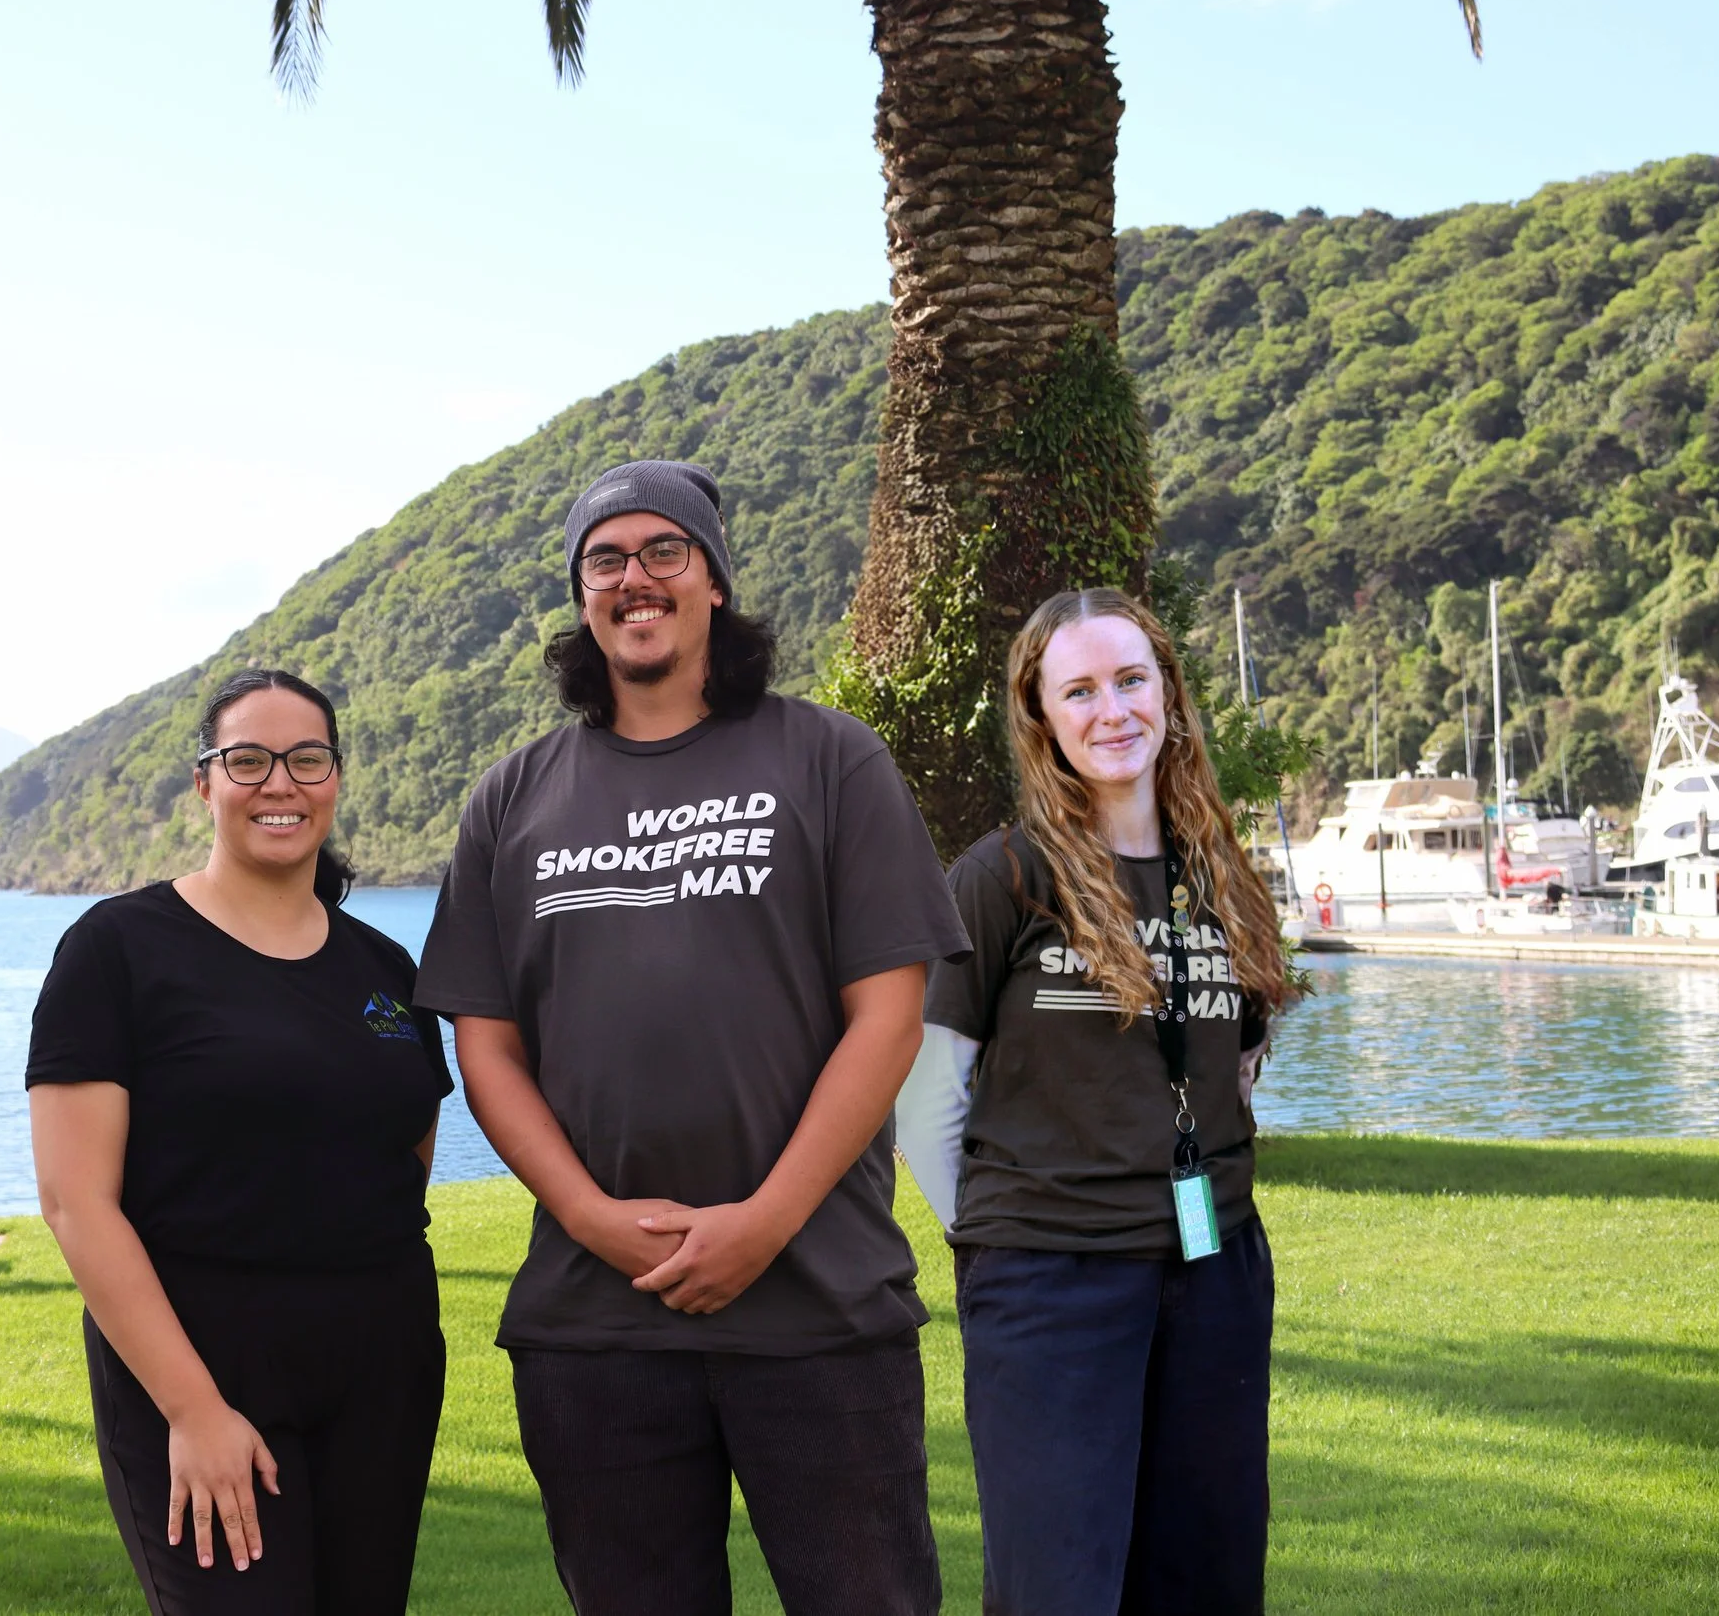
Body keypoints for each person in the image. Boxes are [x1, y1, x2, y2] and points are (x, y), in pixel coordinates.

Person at [414, 459, 971, 1616]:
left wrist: (764, 1221)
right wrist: (585, 1215)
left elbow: (888, 1013)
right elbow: (487, 1044)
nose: (634, 578)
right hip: (593, 1322)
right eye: (604, 559)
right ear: (581, 597)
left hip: (819, 1303)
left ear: (712, 578)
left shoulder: (829, 759)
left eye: (663, 550)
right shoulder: (512, 795)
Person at [894, 587, 1301, 1616]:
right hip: (1051, 1283)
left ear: (1167, 692)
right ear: (1042, 716)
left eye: (1129, 679)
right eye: (1078, 689)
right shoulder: (1004, 875)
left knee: (1205, 1575)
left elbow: (1238, 1058)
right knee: (1058, 1584)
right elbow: (926, 1093)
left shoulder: (1220, 872)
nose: (1110, 709)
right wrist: (997, 1241)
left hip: (1211, 1272)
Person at [26, 668, 454, 1616]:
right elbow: (75, 1201)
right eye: (248, 759)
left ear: (336, 778)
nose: (280, 784)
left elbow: (407, 1148)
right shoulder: (118, 949)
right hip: (203, 1358)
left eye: (307, 759)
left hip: (381, 1367)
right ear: (205, 783)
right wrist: (191, 1407)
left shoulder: (383, 967)